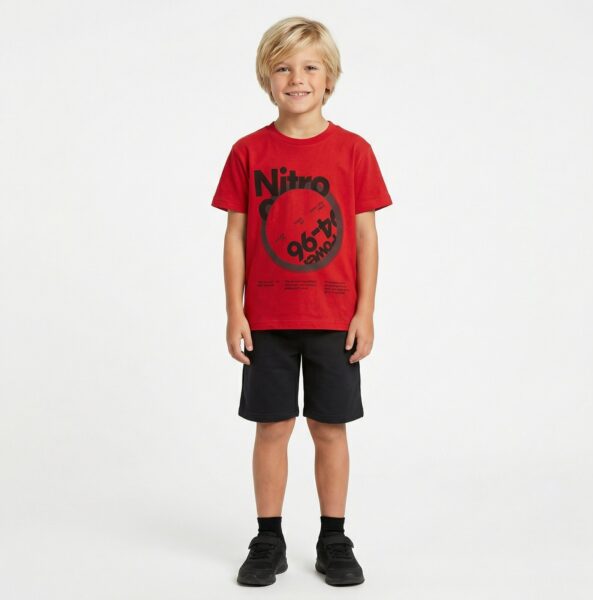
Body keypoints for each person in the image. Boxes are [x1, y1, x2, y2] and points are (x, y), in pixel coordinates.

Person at [211, 16, 393, 587]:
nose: (297, 78)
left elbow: (365, 236)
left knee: (330, 428)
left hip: (333, 319)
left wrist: (365, 311)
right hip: (266, 320)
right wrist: (234, 311)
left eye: (310, 67)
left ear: (329, 78)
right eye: (284, 68)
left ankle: (334, 538)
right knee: (272, 427)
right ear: (266, 78)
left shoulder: (354, 151)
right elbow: (236, 235)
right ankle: (268, 538)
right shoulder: (248, 152)